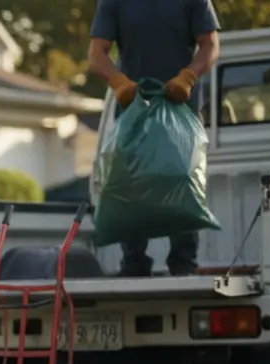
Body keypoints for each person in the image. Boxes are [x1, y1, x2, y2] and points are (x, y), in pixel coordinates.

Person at [88, 0, 221, 277]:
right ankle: (134, 262)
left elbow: (209, 45)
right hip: (133, 108)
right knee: (132, 182)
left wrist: (188, 76)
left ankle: (183, 262)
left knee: (182, 179)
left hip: (180, 107)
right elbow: (97, 53)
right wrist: (119, 82)